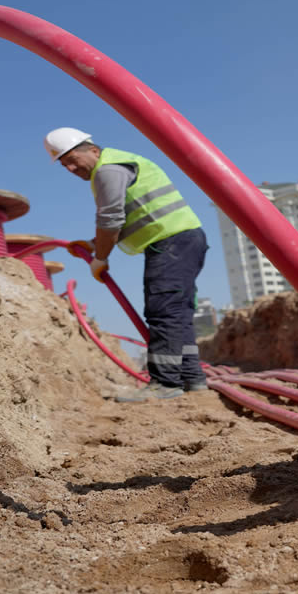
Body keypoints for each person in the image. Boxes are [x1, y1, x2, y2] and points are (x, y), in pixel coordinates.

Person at [43, 127, 209, 401]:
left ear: (92, 150)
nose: (71, 168)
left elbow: (110, 221)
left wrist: (100, 258)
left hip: (170, 243)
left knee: (164, 311)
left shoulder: (108, 170)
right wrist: (95, 245)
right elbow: (130, 218)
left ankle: (165, 384)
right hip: (183, 240)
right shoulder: (117, 164)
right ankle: (192, 379)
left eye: (72, 159)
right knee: (177, 313)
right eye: (64, 165)